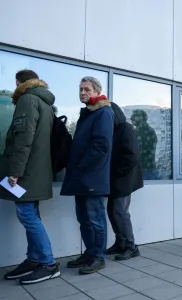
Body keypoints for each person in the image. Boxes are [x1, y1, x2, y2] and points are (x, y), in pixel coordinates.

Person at [1, 70, 60, 284]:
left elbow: (23, 138)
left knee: (27, 215)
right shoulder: (45, 103)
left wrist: (15, 172)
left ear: (19, 82)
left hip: (26, 171)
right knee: (31, 214)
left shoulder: (27, 99)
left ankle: (48, 263)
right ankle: (34, 259)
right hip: (37, 170)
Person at [61, 77, 114, 275]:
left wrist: (81, 166)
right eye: (80, 89)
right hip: (81, 176)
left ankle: (98, 257)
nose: (82, 92)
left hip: (92, 177)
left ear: (96, 92)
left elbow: (101, 146)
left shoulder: (103, 112)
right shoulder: (88, 113)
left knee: (95, 219)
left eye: (87, 89)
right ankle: (89, 253)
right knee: (83, 218)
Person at [105, 102, 144, 261]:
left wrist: (117, 171)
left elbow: (132, 156)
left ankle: (131, 246)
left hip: (124, 178)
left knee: (120, 212)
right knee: (112, 211)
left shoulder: (125, 128)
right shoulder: (112, 129)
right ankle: (120, 242)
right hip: (115, 178)